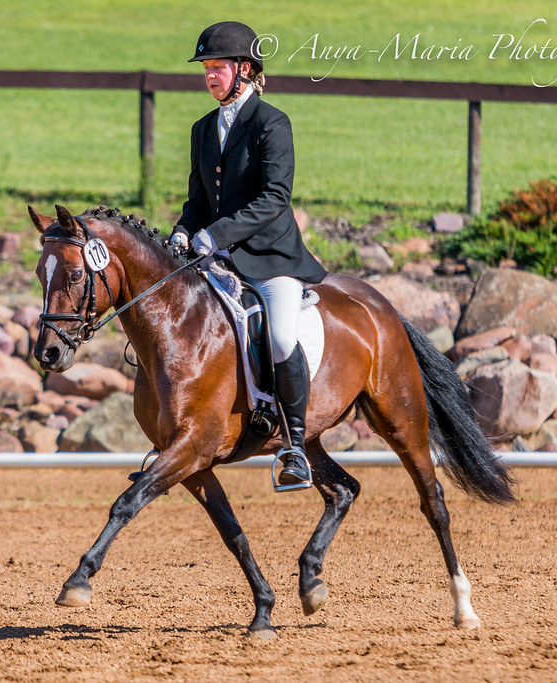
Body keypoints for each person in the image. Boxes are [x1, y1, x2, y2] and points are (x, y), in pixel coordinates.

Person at [171, 21, 327, 488]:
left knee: (279, 338)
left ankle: (295, 447)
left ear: (244, 70)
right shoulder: (203, 129)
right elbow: (198, 200)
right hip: (217, 260)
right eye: (206, 69)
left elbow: (275, 197)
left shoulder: (271, 122)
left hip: (270, 258)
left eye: (217, 68)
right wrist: (183, 232)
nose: (209, 76)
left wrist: (216, 234)